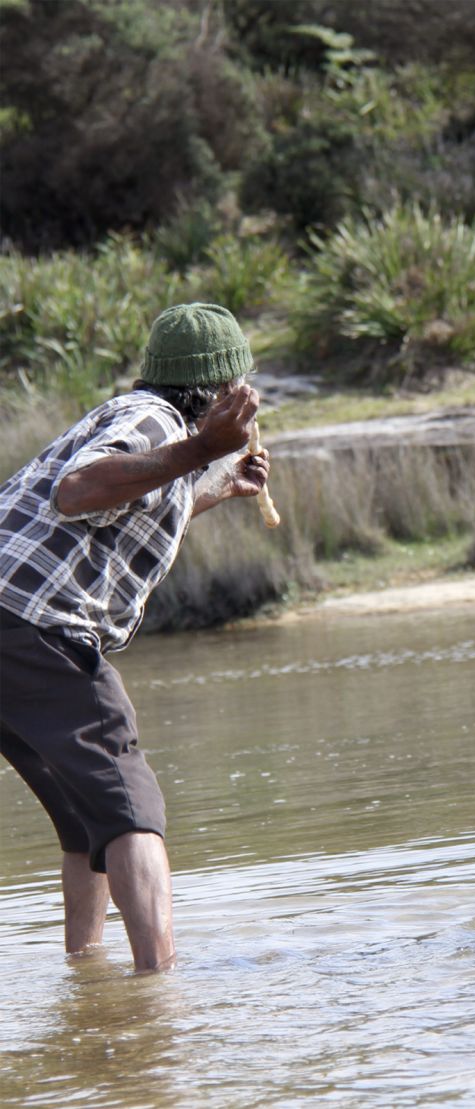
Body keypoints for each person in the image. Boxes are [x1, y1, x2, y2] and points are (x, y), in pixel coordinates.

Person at [0, 302, 273, 971]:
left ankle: (86, 975)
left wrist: (213, 484)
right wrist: (203, 448)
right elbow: (79, 491)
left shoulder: (138, 423)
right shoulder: (155, 424)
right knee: (131, 808)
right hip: (31, 623)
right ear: (221, 391)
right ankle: (159, 988)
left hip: (10, 622)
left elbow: (126, 501)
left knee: (84, 814)